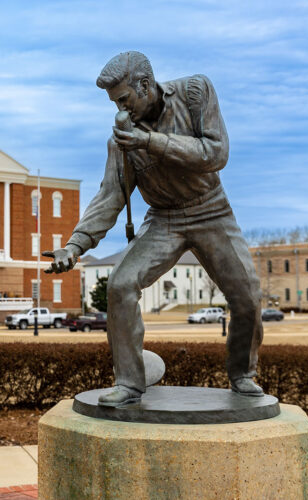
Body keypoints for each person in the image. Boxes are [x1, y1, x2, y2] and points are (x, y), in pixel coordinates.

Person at [43, 51, 263, 406]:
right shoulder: (120, 140)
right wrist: (75, 245)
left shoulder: (196, 92)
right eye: (114, 102)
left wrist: (149, 142)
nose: (119, 109)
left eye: (124, 99)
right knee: (120, 284)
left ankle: (243, 374)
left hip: (212, 211)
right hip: (163, 219)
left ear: (145, 85)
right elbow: (110, 196)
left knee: (248, 296)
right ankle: (130, 382)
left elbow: (215, 152)